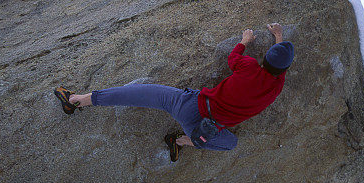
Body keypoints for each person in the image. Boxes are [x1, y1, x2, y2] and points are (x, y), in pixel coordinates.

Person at [55, 23, 294, 162]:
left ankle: (76, 100)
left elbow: (233, 58)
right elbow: (277, 68)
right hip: (204, 129)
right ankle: (180, 141)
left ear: (263, 59)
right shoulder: (277, 87)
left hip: (189, 105)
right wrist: (279, 38)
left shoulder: (249, 66)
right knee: (230, 144)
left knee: (138, 93)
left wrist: (245, 40)